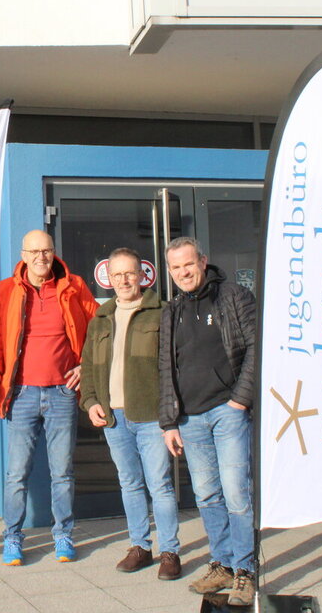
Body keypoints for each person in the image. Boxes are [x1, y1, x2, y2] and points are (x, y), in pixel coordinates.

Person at [158, 236, 257, 607]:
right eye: (176, 267)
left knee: (236, 493)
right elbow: (165, 368)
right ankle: (223, 564)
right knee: (207, 495)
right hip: (189, 418)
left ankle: (245, 570)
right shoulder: (172, 311)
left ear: (203, 261)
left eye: (188, 264)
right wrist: (169, 422)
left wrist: (240, 400)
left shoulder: (233, 296)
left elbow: (256, 347)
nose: (183, 272)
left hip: (227, 412)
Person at [0, 229, 100, 565]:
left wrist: (85, 365)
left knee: (62, 472)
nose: (42, 257)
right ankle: (12, 538)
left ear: (53, 252)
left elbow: (99, 329)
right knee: (16, 474)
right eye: (35, 251)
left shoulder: (74, 286)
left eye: (47, 250)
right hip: (22, 393)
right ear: (23, 256)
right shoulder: (6, 291)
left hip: (62, 393)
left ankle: (63, 536)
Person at [80, 247, 182, 580]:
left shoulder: (161, 313)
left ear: (141, 275)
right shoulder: (100, 318)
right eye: (117, 274)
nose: (123, 280)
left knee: (160, 485)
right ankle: (140, 546)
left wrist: (169, 415)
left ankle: (170, 552)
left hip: (150, 415)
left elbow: (173, 368)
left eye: (129, 273)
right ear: (108, 278)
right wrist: (90, 401)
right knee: (130, 484)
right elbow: (88, 365)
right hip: (114, 417)